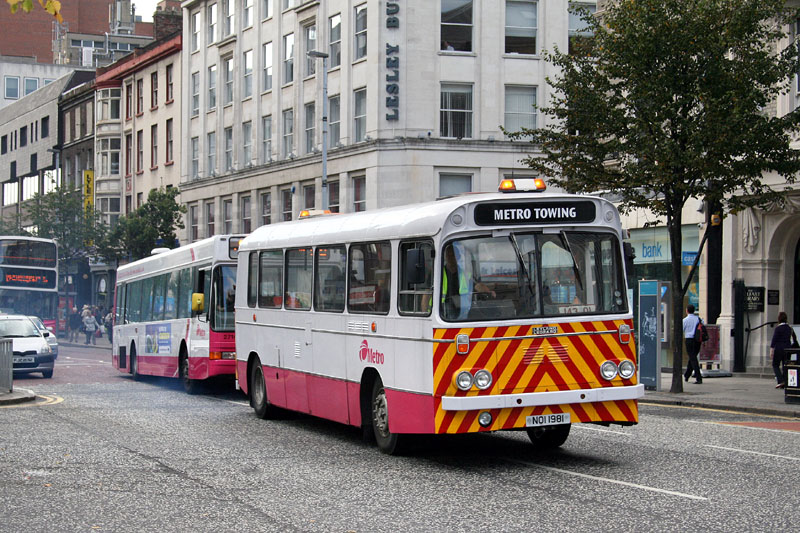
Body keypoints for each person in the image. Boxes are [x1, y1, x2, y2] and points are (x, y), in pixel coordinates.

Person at [441, 244, 494, 319]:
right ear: (445, 257)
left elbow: (477, 286)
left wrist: (489, 291)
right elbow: (426, 296)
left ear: (458, 257)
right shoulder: (438, 274)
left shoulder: (465, 274)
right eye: (448, 255)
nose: (450, 257)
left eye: (453, 255)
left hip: (462, 311)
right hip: (443, 313)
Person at [770, 311, 797, 389]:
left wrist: (771, 350)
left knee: (775, 365)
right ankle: (785, 381)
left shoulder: (778, 328)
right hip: (788, 348)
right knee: (785, 365)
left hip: (779, 348)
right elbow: (794, 339)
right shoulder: (789, 328)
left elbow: (774, 340)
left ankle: (780, 380)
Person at [682, 304, 703, 384]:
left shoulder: (685, 320)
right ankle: (687, 375)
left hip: (689, 340)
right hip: (697, 340)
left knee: (693, 358)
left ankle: (698, 377)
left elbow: (682, 329)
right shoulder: (698, 319)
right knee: (692, 357)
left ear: (687, 310)